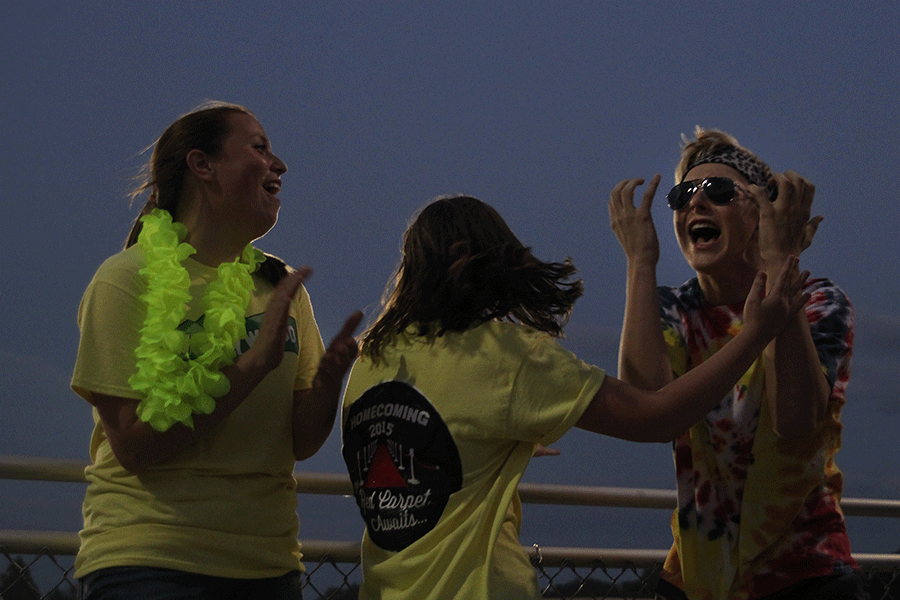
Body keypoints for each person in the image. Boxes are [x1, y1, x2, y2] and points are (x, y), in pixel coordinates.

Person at [339, 194, 808, 600]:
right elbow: (656, 418)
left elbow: (413, 453)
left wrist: (493, 441)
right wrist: (757, 332)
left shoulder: (371, 360)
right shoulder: (501, 355)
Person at [70, 101, 362, 600]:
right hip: (152, 562)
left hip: (268, 563)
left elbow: (300, 439)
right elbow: (135, 448)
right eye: (259, 147)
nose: (280, 164)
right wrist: (251, 366)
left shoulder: (279, 286)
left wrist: (330, 382)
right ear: (203, 165)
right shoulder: (124, 280)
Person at [608, 127, 866, 600]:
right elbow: (645, 411)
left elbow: (795, 420)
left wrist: (779, 261)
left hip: (806, 577)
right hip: (697, 579)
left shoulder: (819, 302)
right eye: (684, 193)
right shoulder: (673, 310)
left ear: (761, 214)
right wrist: (640, 262)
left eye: (720, 191)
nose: (696, 204)